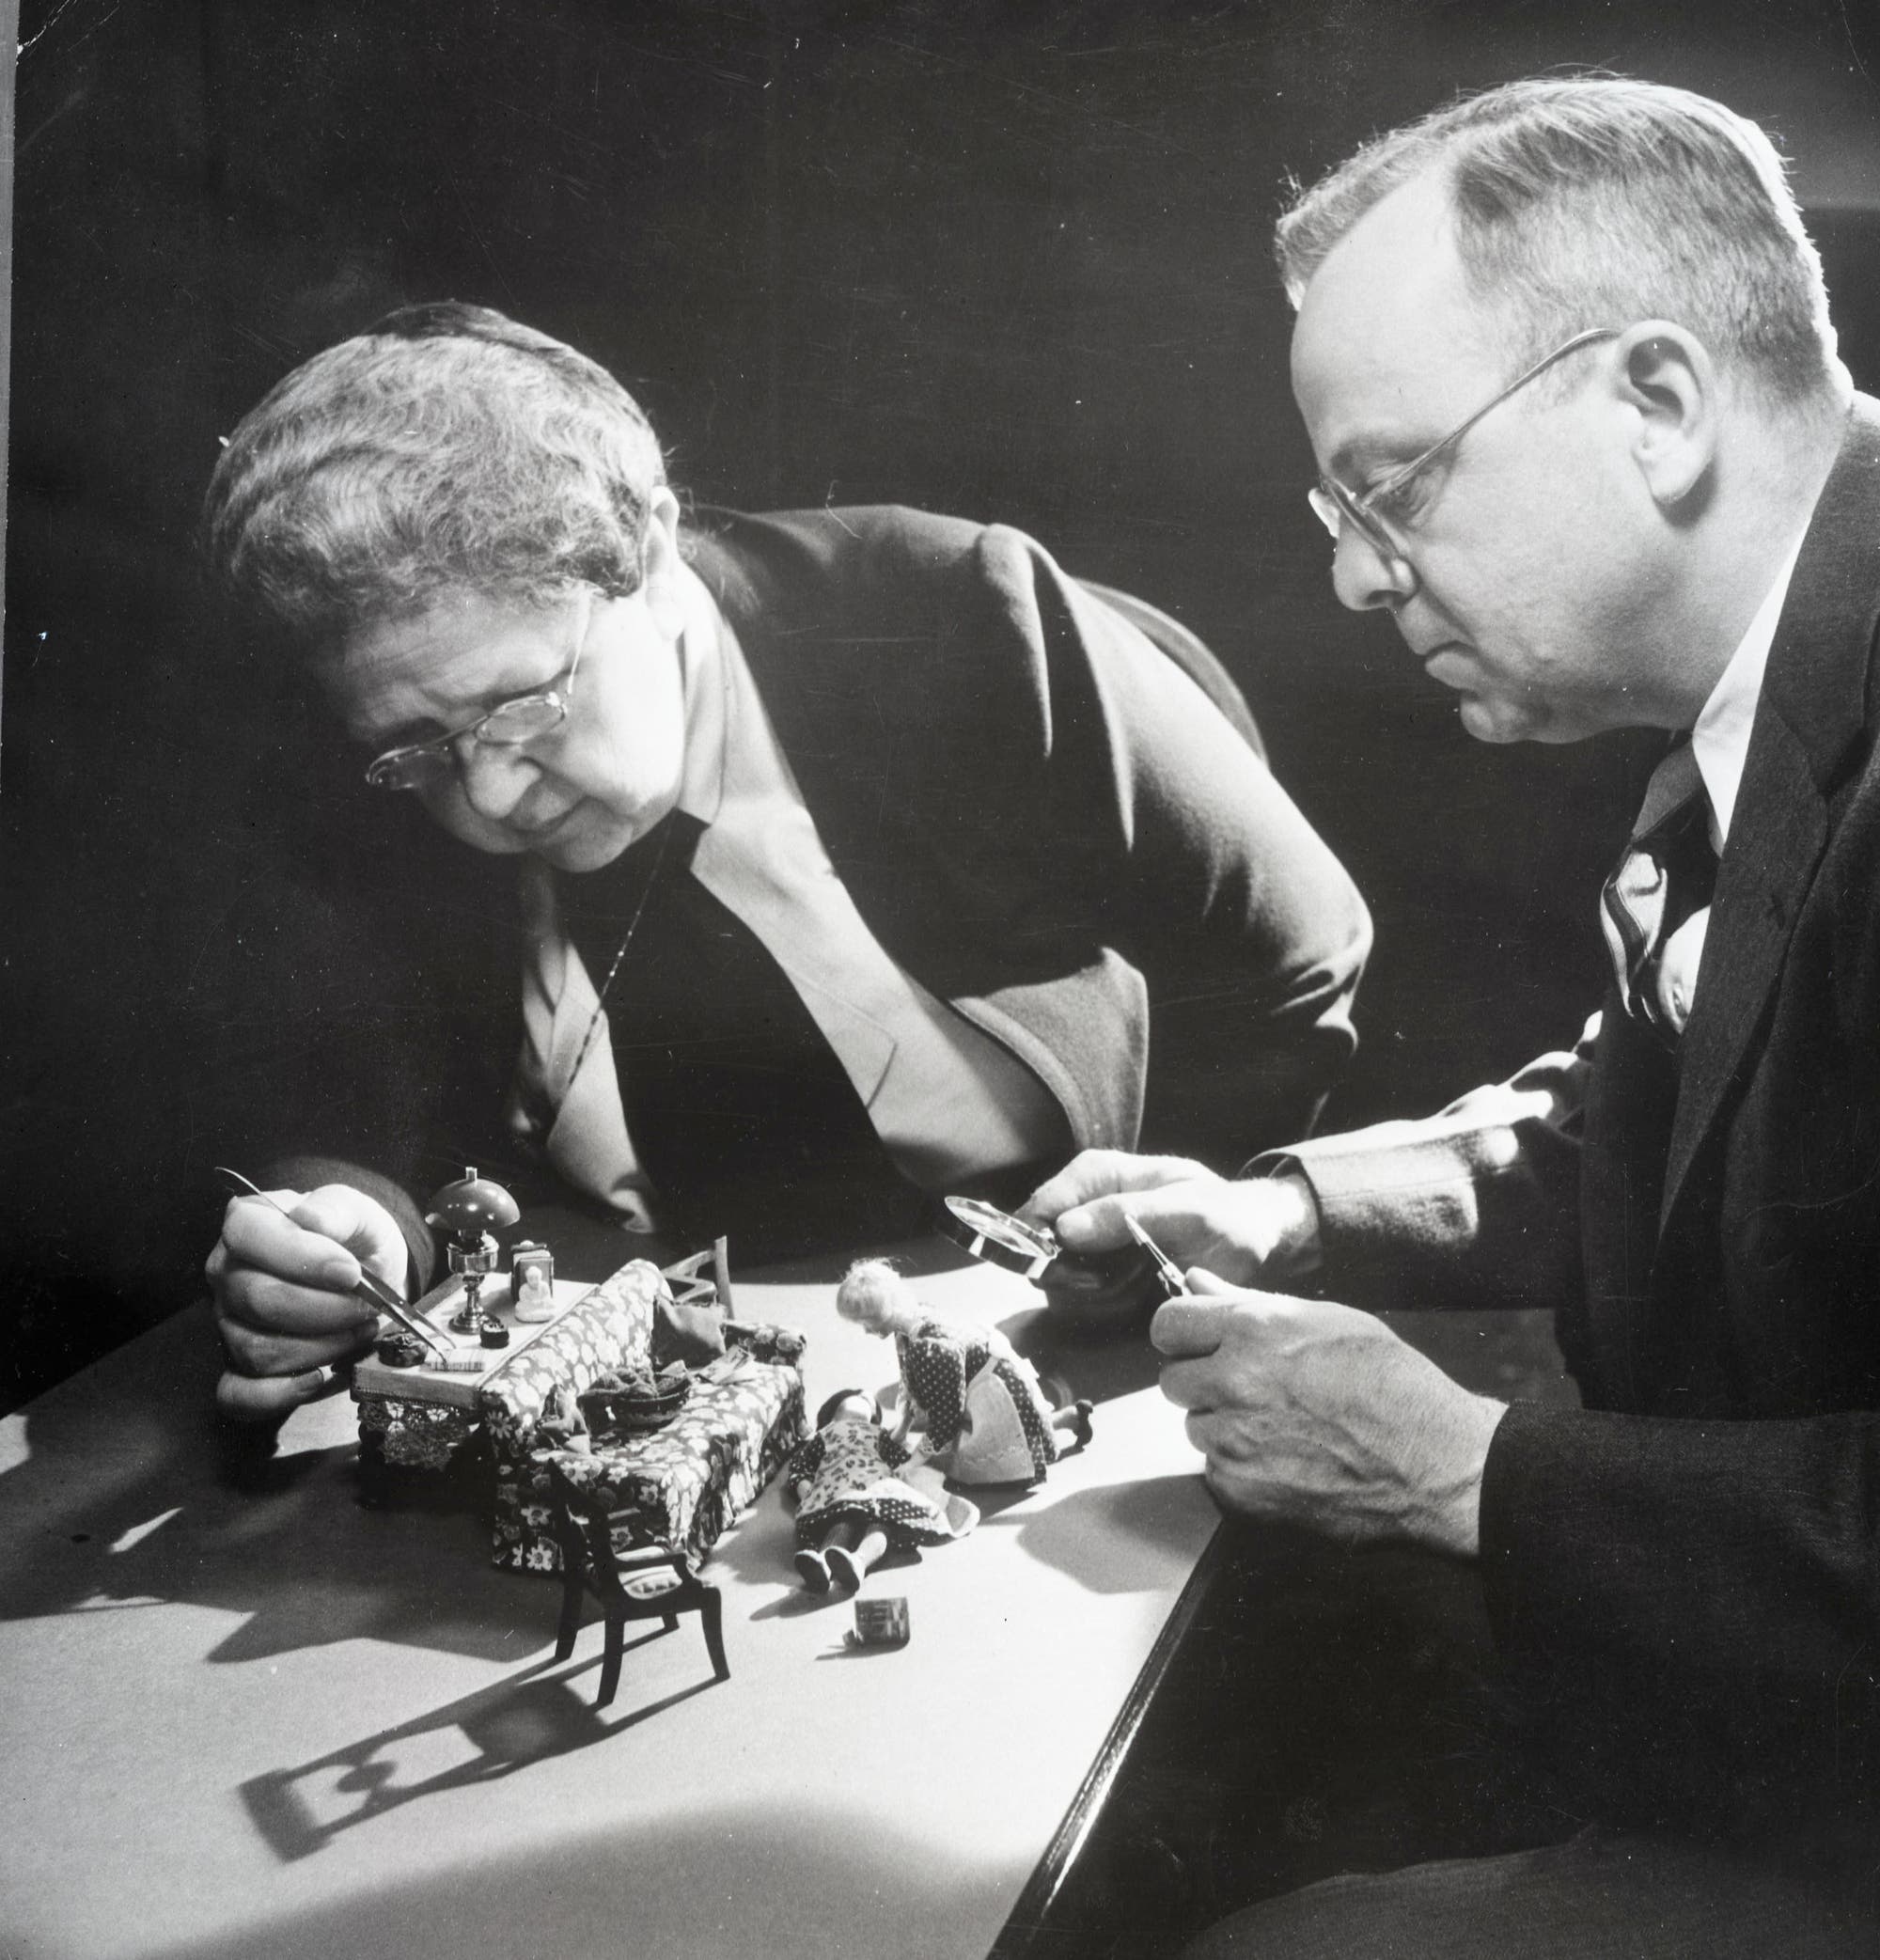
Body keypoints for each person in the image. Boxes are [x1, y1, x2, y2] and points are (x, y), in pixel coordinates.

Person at [1027, 76, 1880, 1953]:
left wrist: (1458, 1470)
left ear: (1654, 403)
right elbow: (1667, 1108)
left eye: (1392, 485)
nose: (1349, 574)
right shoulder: (1790, 689)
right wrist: (1289, 1211)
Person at [198, 303, 1370, 1425]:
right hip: (636, 1359)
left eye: (523, 706)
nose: (492, 794)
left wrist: (1166, 1244)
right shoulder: (369, 764)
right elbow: (361, 1102)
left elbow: (1296, 952)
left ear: (652, 552)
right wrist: (355, 1232)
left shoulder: (960, 615)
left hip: (1062, 1348)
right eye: (418, 752)